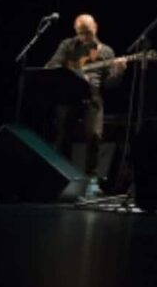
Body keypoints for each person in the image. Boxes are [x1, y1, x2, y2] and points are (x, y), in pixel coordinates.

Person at [45, 14, 126, 197]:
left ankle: (92, 178)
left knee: (95, 135)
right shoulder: (68, 45)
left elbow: (110, 85)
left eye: (87, 33)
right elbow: (52, 66)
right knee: (62, 134)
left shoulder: (106, 52)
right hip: (69, 96)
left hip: (92, 97)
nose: (84, 37)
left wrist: (118, 72)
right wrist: (74, 75)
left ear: (95, 28)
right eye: (80, 33)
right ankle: (63, 175)